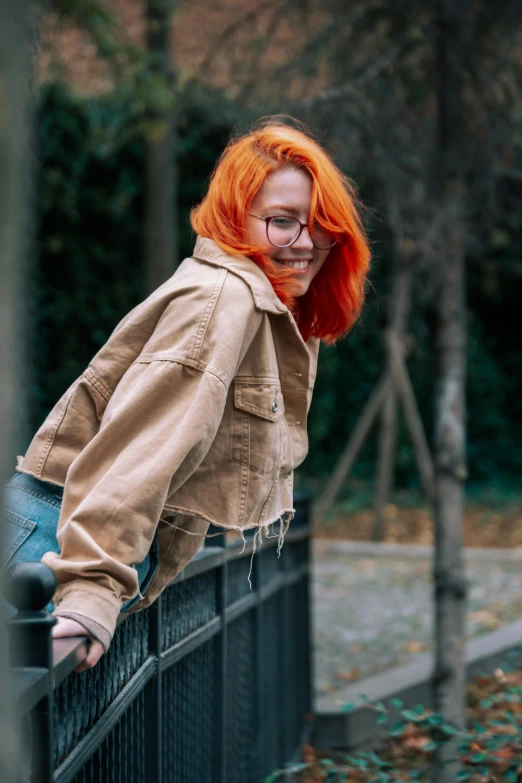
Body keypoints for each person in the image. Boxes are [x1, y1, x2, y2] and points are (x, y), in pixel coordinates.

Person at [2, 118, 371, 673]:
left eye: (319, 225)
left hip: (52, 537)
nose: (306, 243)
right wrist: (91, 593)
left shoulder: (261, 301)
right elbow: (137, 453)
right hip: (51, 552)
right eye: (281, 222)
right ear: (234, 216)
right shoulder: (224, 298)